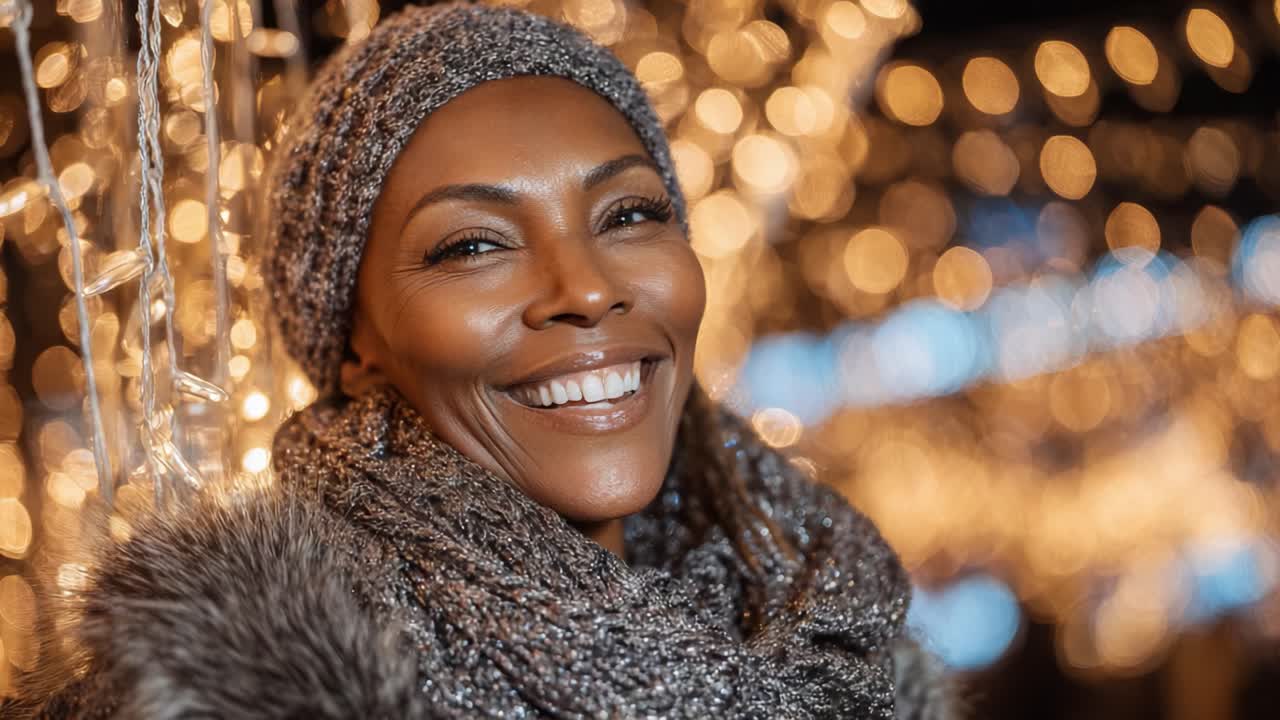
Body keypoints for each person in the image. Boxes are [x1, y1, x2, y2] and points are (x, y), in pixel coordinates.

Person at [11, 3, 960, 717]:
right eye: (473, 245)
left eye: (629, 215)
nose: (586, 289)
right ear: (355, 346)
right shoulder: (230, 690)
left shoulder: (834, 624)